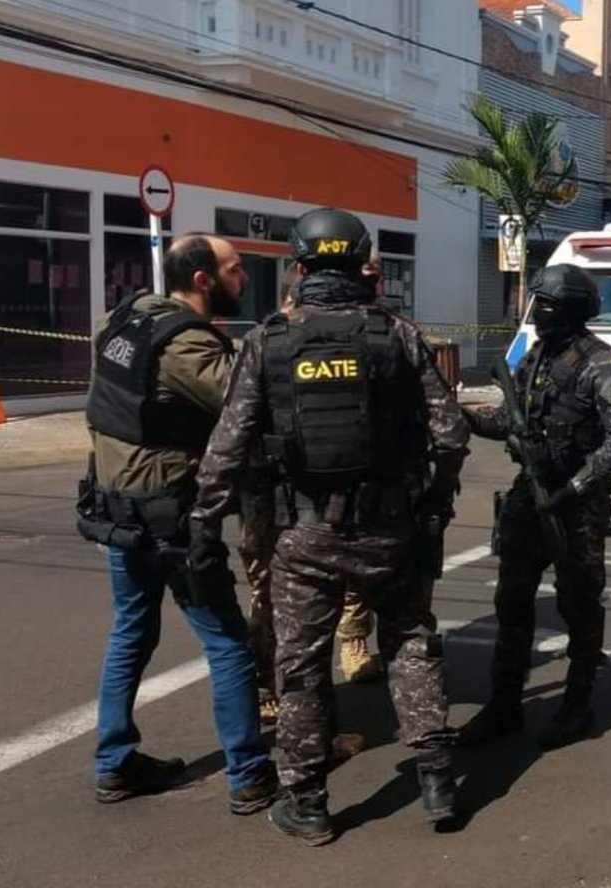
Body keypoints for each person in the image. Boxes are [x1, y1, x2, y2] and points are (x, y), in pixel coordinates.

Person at [189, 207, 469, 846]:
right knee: (410, 644)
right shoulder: (396, 333)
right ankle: (437, 783)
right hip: (390, 528)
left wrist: (204, 526)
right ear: (361, 264)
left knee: (302, 667)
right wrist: (430, 501)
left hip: (304, 536)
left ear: (299, 266)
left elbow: (225, 450)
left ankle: (309, 803)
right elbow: (451, 433)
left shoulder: (268, 341)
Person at [76, 234, 277, 815]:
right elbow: (247, 400)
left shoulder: (120, 320)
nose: (245, 279)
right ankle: (249, 773)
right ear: (202, 280)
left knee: (130, 633)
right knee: (228, 641)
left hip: (116, 508)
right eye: (236, 270)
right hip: (171, 515)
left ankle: (114, 763)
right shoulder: (186, 345)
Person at [455, 264, 611, 751]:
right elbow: (506, 421)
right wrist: (463, 415)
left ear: (571, 309)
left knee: (578, 604)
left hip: (576, 503)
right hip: (530, 494)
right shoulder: (534, 357)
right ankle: (504, 705)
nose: (536, 314)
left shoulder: (602, 364)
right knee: (511, 602)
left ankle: (577, 705)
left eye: (546, 305)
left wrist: (575, 486)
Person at [237, 275, 383, 728]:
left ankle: (352, 643)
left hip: (348, 490)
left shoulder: (368, 335)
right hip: (270, 494)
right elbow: (235, 424)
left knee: (354, 582)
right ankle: (265, 681)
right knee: (270, 593)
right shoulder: (266, 343)